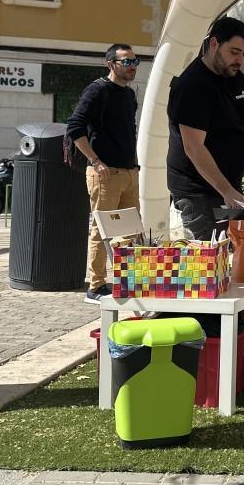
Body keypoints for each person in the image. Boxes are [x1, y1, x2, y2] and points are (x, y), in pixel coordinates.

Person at [167, 16, 244, 240]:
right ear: (214, 44)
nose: (239, 60)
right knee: (206, 263)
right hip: (198, 193)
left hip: (228, 190)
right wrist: (226, 190)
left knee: (231, 259)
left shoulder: (235, 77)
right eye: (234, 52)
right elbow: (194, 147)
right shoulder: (192, 85)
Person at [66, 43, 141, 303]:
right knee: (101, 230)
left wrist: (135, 165)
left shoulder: (130, 95)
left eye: (135, 62)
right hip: (105, 173)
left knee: (131, 230)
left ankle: (127, 282)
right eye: (126, 62)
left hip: (130, 172)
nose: (132, 67)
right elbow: (75, 127)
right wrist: (96, 161)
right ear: (111, 64)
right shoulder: (97, 90)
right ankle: (96, 286)